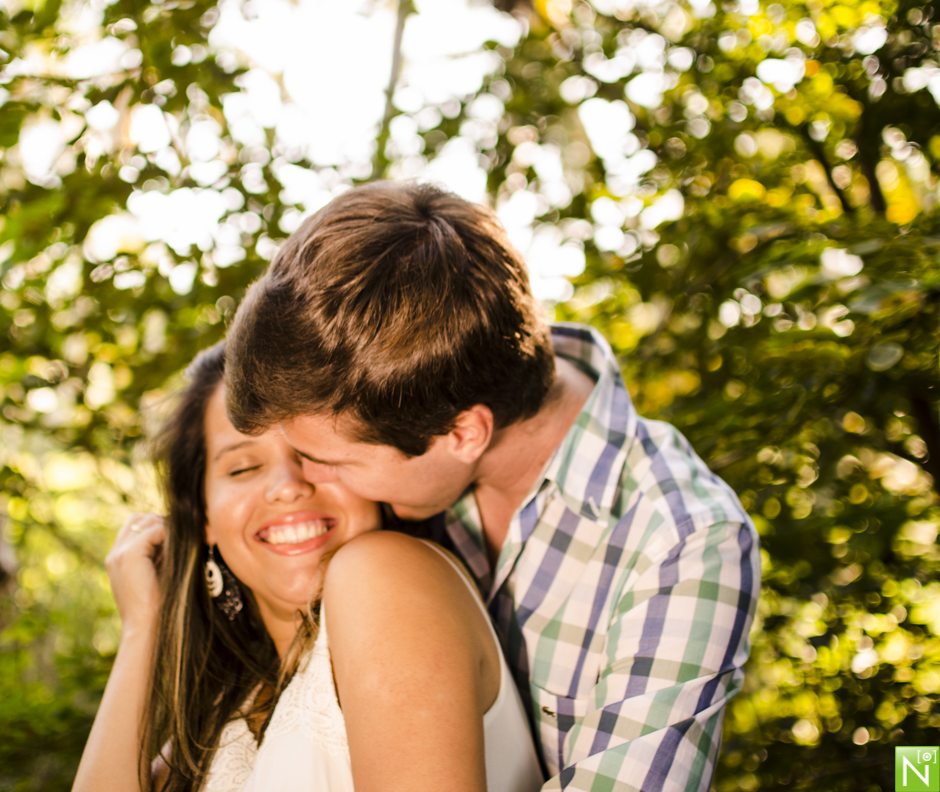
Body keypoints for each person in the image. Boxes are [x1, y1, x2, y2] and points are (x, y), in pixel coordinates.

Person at [224, 181, 760, 791]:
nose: (311, 480)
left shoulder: (683, 543)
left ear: (462, 434)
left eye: (336, 463)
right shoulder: (403, 392)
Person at [72, 341, 542, 792]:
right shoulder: (233, 708)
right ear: (205, 519)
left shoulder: (384, 573)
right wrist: (142, 628)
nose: (288, 486)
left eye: (314, 456)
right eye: (242, 469)